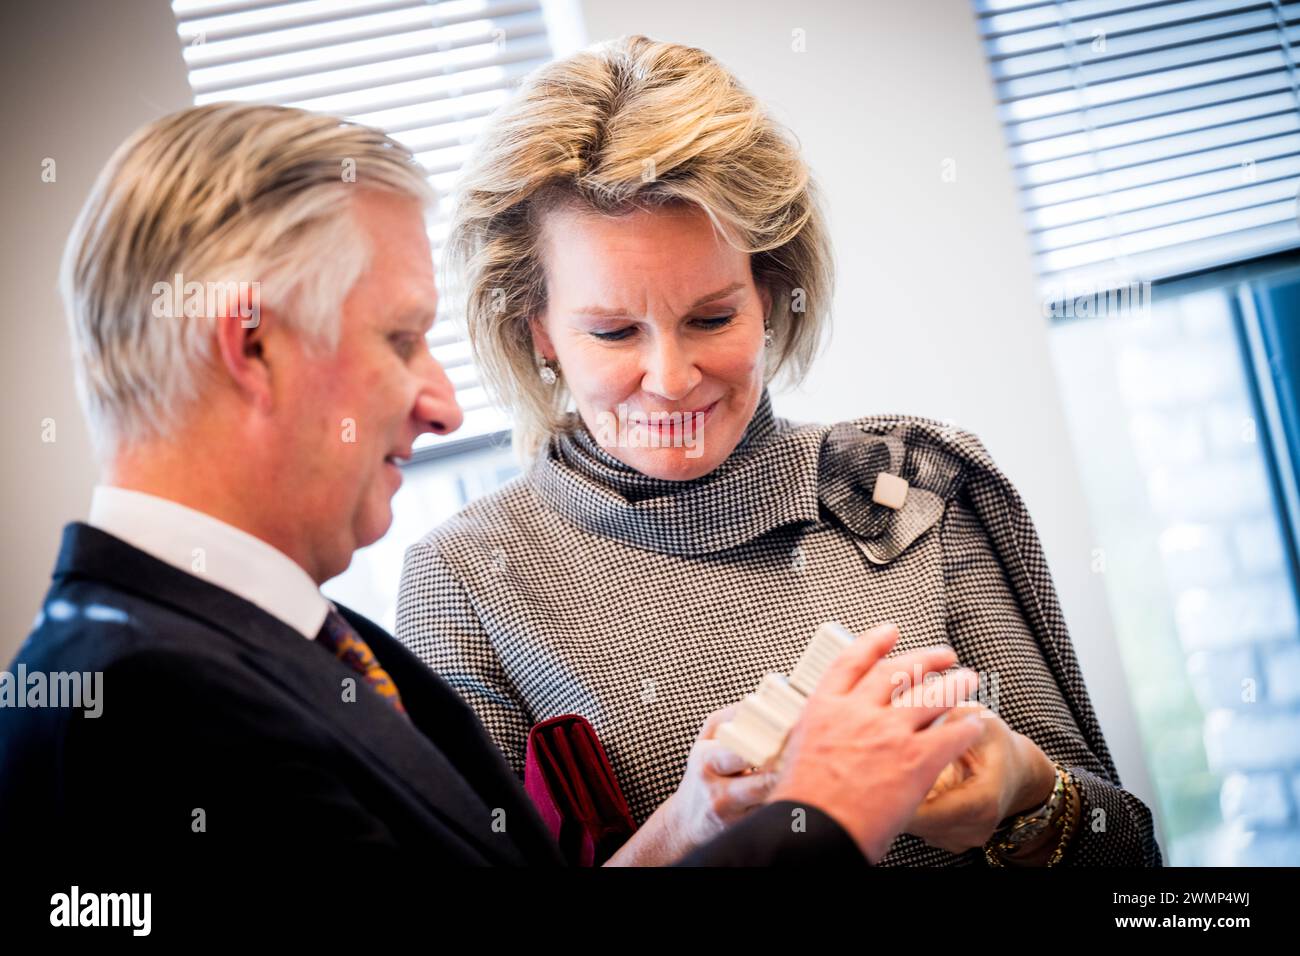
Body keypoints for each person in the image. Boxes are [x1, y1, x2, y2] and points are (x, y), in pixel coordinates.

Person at [0, 102, 986, 871]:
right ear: (251, 345)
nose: (439, 403)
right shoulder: (142, 714)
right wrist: (823, 814)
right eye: (398, 338)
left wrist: (688, 824)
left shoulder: (307, 644)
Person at [396, 35, 1163, 867]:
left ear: (769, 292)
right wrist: (687, 828)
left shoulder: (910, 484)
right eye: (615, 331)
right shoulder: (467, 582)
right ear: (537, 329)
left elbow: (1129, 859)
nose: (672, 377)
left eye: (712, 317)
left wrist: (1023, 794)